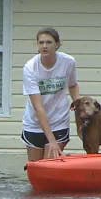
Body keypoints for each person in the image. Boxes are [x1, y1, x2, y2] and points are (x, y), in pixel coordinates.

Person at [21, 27, 80, 161]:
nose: (45, 46)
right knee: (36, 167)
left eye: (49, 42)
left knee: (49, 164)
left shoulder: (68, 62)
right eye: (41, 43)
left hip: (58, 121)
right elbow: (38, 108)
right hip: (34, 123)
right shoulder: (30, 67)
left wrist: (77, 102)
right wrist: (51, 140)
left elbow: (73, 85)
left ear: (57, 44)